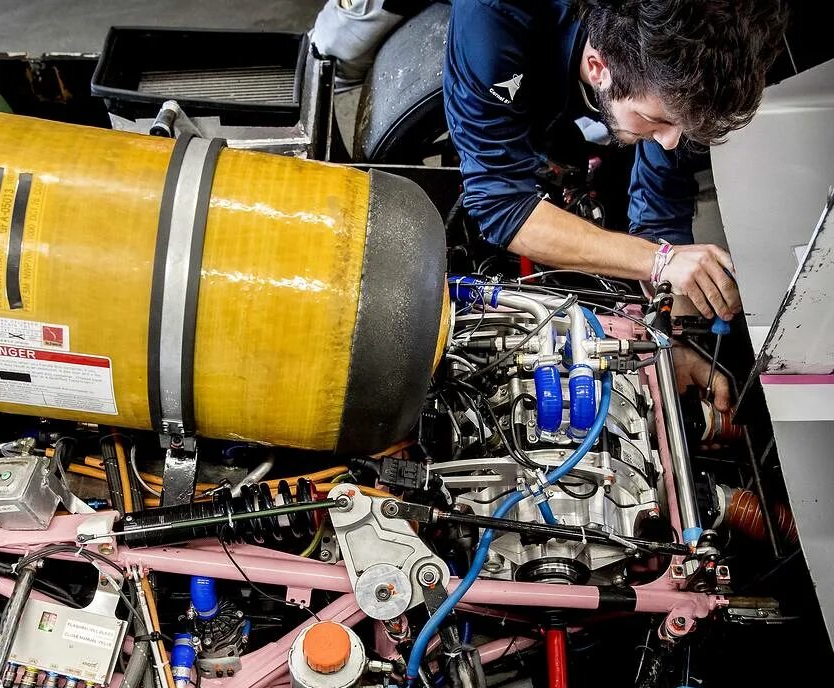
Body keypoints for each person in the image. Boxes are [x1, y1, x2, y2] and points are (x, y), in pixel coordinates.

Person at [312, 0, 788, 409]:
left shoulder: (683, 47)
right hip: (495, 21)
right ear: (599, 64)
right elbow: (501, 205)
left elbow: (661, 189)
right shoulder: (497, 19)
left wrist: (670, 327)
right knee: (334, 48)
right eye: (655, 119)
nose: (670, 142)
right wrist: (661, 259)